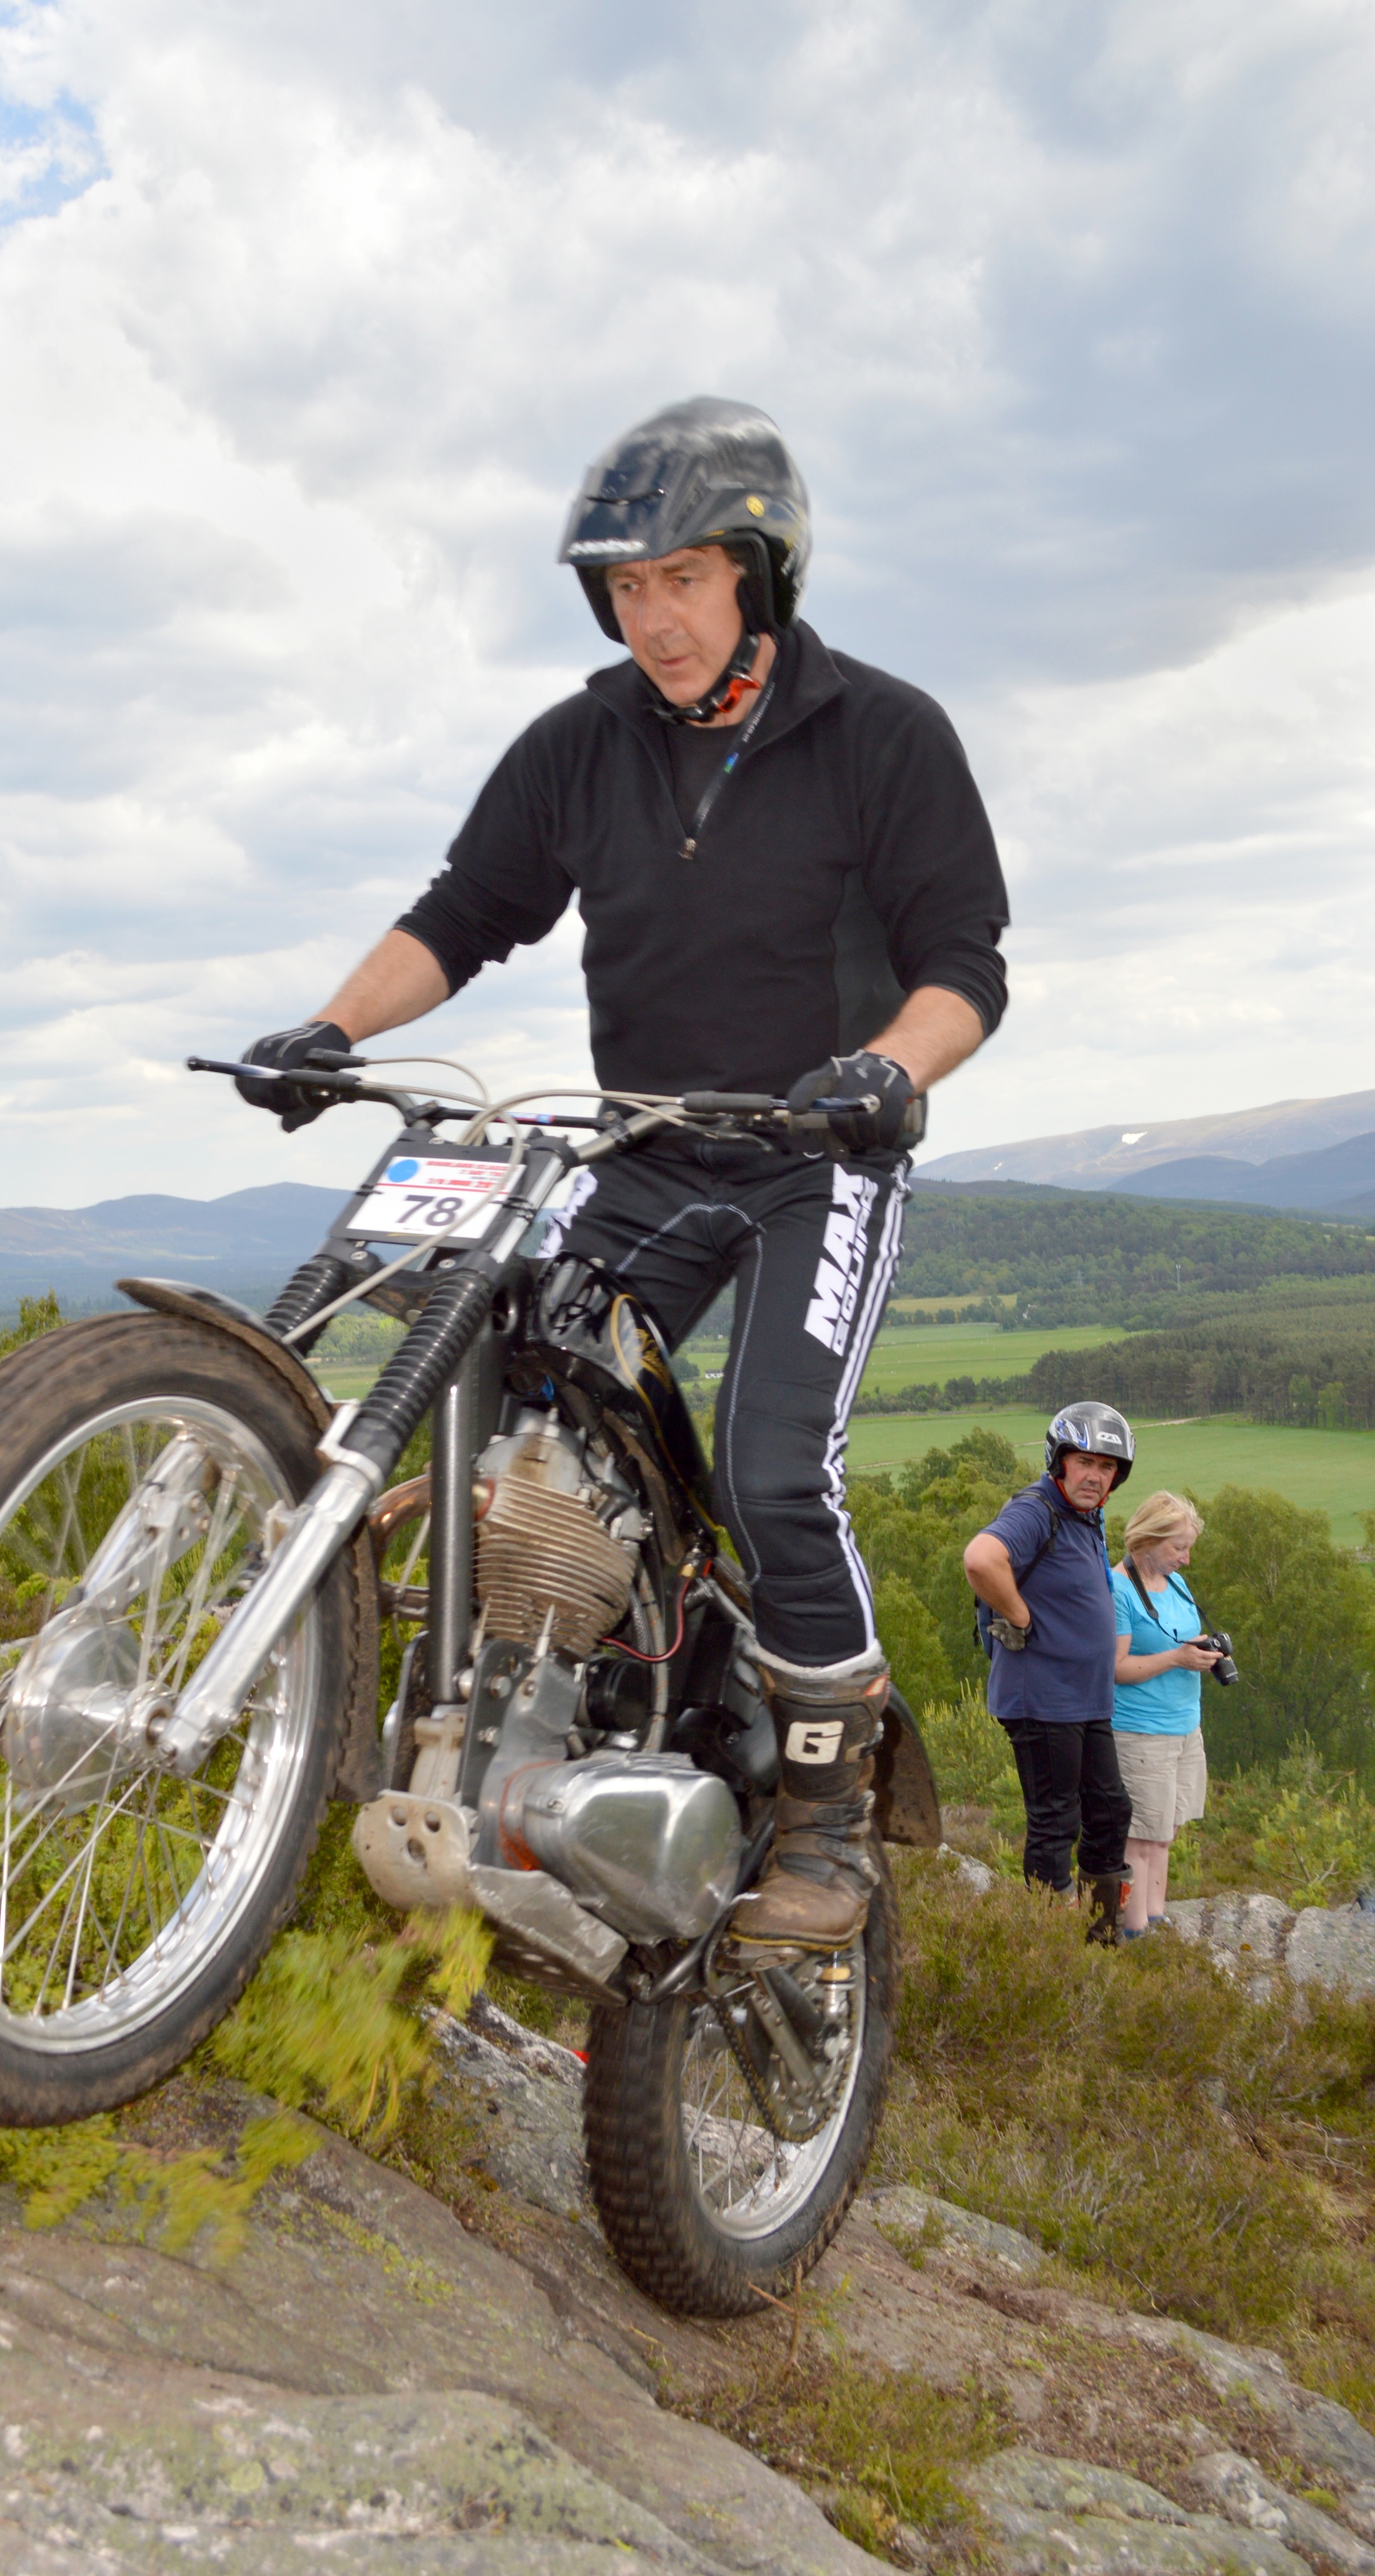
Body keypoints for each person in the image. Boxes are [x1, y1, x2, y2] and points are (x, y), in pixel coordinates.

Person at [238, 396, 1010, 1949]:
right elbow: (463, 914)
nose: (654, 617)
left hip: (815, 1164)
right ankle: (565, 1711)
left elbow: (964, 968)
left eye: (685, 580)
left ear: (759, 577)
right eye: (627, 586)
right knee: (527, 1410)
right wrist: (331, 1029)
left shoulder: (886, 733)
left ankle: (830, 1808)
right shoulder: (579, 745)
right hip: (642, 1155)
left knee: (774, 1467)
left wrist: (885, 1071)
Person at [962, 1404, 1136, 1944]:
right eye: (1084, 1462)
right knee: (1056, 1822)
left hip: (1085, 1699)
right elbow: (981, 1558)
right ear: (1059, 1462)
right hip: (1042, 1699)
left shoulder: (1086, 1516)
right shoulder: (1037, 1509)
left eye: (1107, 1467)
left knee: (1109, 1812)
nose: (1095, 1476)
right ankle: (1049, 1948)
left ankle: (1099, 1938)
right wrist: (1019, 1616)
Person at [1110, 1492, 1218, 1937]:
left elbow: (1181, 1637)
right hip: (1141, 1733)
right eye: (1178, 1547)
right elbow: (1115, 1669)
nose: (1186, 1558)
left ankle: (1157, 1918)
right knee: (1139, 1837)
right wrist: (1177, 1658)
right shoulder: (1118, 1589)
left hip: (1184, 1726)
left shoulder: (1174, 1582)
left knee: (1165, 1832)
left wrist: (1202, 1652)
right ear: (1148, 1539)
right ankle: (1134, 1931)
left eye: (1188, 1547)